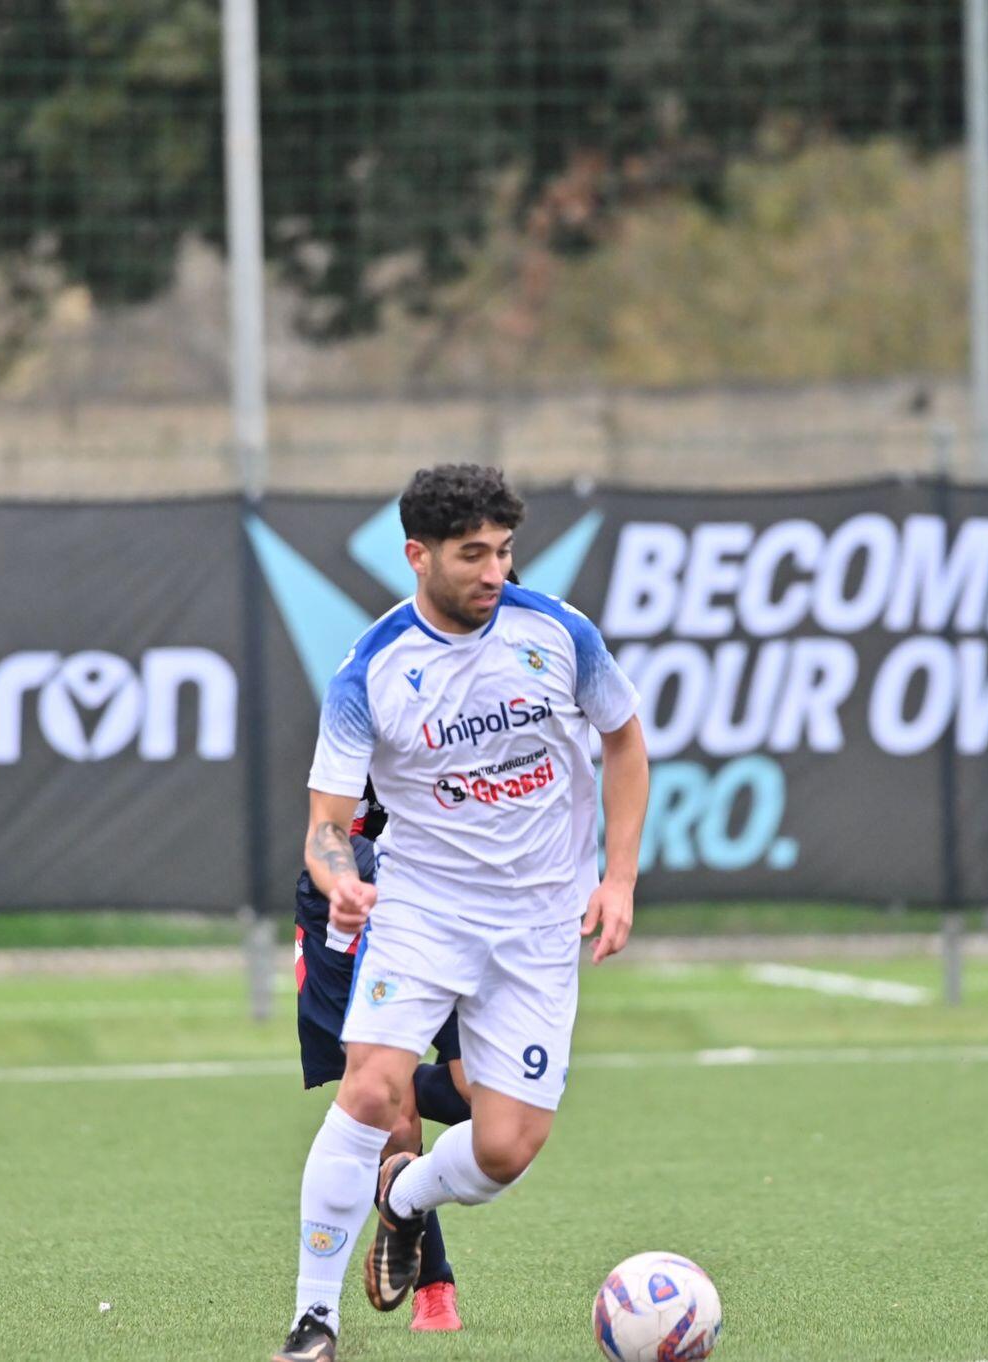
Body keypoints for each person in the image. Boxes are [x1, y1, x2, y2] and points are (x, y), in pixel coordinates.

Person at [272, 464, 651, 1362]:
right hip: (423, 911)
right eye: (472, 554)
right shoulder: (371, 671)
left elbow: (626, 741)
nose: (494, 571)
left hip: (538, 924)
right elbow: (326, 828)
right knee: (371, 1090)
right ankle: (312, 1323)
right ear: (418, 555)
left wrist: (620, 877)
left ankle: (403, 1200)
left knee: (506, 1148)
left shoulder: (559, 634)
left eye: (504, 551)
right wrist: (341, 880)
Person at [292, 779, 472, 1333]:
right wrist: (348, 880)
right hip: (352, 907)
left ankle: (399, 1086)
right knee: (390, 1120)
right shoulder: (369, 700)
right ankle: (433, 1291)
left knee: (487, 1102)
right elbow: (329, 824)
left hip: (454, 903)